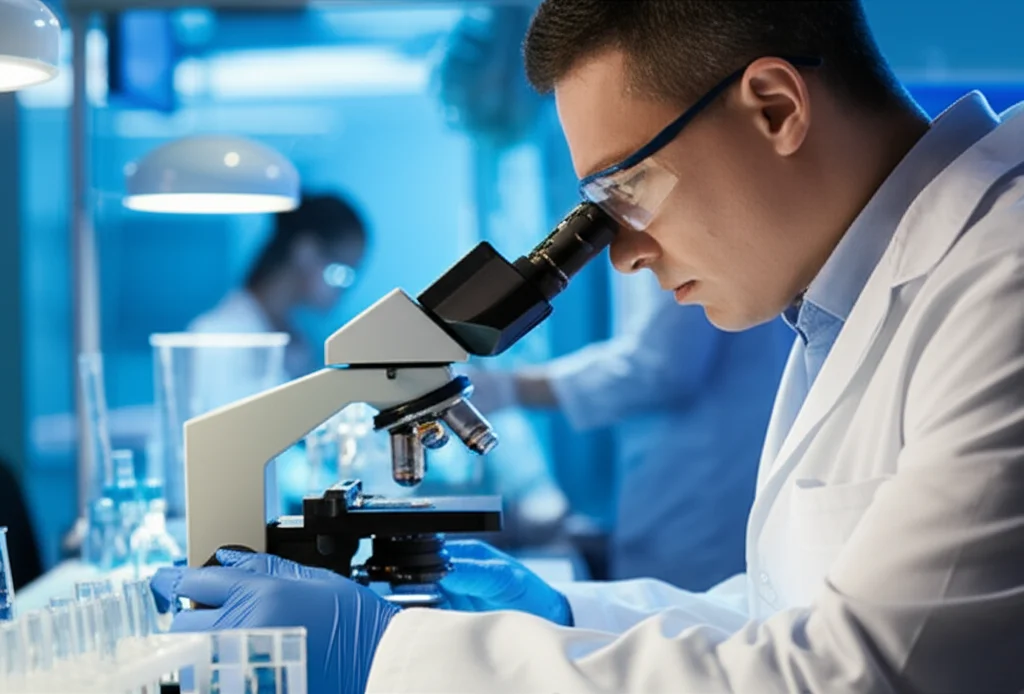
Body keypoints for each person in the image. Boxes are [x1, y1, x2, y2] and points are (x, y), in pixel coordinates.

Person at [152, 1, 1024, 692]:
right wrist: (564, 613)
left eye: (625, 191)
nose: (624, 254)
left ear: (775, 107)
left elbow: (853, 675)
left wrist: (391, 655)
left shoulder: (1002, 283)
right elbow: (786, 620)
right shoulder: (846, 304)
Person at [466, 283, 790, 590]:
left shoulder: (688, 255)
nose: (626, 258)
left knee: (688, 614)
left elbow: (662, 367)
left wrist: (513, 388)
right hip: (677, 491)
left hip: (703, 503)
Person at [188, 192, 368, 380]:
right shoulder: (219, 336)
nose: (344, 289)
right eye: (340, 274)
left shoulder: (301, 340)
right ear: (306, 251)